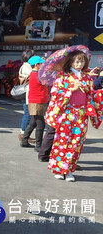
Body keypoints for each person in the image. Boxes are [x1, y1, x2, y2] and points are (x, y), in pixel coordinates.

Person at [45, 50, 102, 182]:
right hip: (67, 113)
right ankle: (59, 169)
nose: (79, 64)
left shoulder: (87, 77)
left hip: (81, 114)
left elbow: (91, 94)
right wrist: (70, 90)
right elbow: (55, 94)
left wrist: (97, 93)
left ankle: (70, 170)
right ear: (70, 62)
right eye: (76, 61)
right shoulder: (62, 76)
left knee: (77, 142)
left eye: (82, 61)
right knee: (62, 141)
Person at [20, 56, 48, 150]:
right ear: (36, 65)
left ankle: (24, 140)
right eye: (41, 63)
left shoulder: (34, 73)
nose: (43, 64)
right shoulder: (37, 75)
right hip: (37, 101)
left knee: (33, 122)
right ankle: (38, 146)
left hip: (35, 100)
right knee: (40, 124)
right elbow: (46, 82)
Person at [17, 49, 34, 143]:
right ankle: (23, 134)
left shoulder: (26, 66)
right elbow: (32, 77)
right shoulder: (26, 67)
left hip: (28, 93)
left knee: (29, 114)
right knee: (28, 114)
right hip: (27, 93)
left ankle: (25, 134)